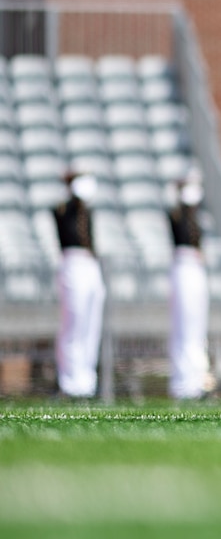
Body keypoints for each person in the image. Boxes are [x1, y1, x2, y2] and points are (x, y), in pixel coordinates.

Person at [54, 169, 104, 398]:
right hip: (72, 263)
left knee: (91, 326)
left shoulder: (88, 211)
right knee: (73, 325)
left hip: (90, 265)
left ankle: (86, 382)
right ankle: (70, 382)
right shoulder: (64, 210)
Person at [167, 170, 210, 400]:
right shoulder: (177, 214)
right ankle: (183, 382)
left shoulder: (196, 216)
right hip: (183, 268)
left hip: (196, 269)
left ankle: (195, 379)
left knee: (196, 327)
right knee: (183, 327)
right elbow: (178, 223)